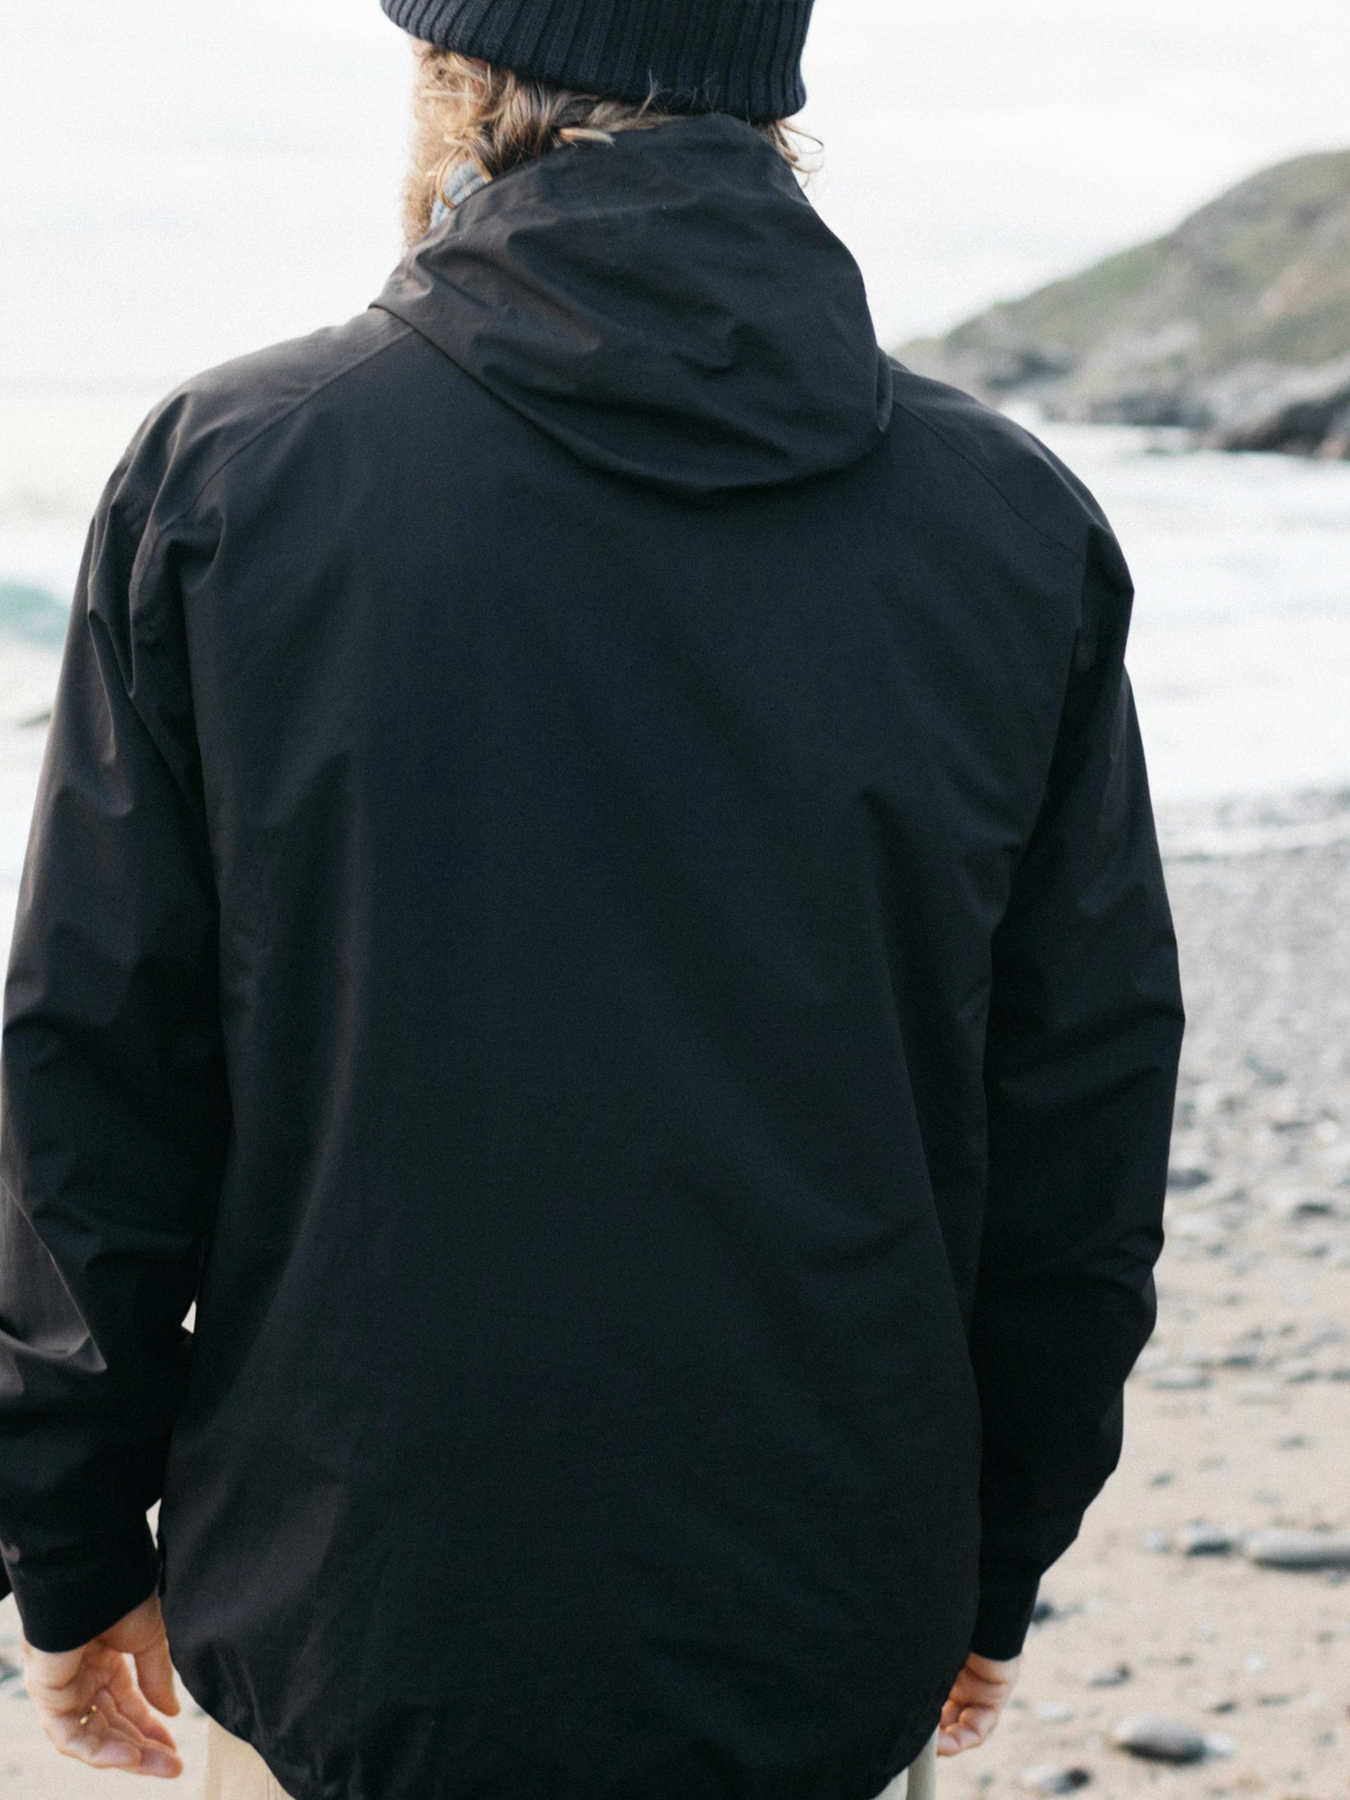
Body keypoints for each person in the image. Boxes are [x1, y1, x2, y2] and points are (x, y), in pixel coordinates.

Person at [0, 2, 1186, 1796]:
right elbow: (1080, 1121)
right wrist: (994, 1553)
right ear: (772, 109)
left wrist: (73, 1543)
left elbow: (98, 1073)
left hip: (358, 1600)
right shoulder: (1012, 524)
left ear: (455, 83)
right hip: (823, 1596)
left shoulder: (233, 473)